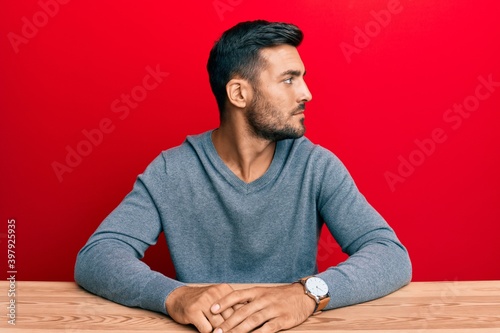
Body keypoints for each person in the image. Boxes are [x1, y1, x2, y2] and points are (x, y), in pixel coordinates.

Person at [75, 20, 412, 333]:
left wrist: (307, 293)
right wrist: (174, 296)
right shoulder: (172, 170)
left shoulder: (316, 166)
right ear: (238, 94)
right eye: (289, 79)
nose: (306, 93)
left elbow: (390, 255)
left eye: (302, 77)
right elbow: (97, 256)